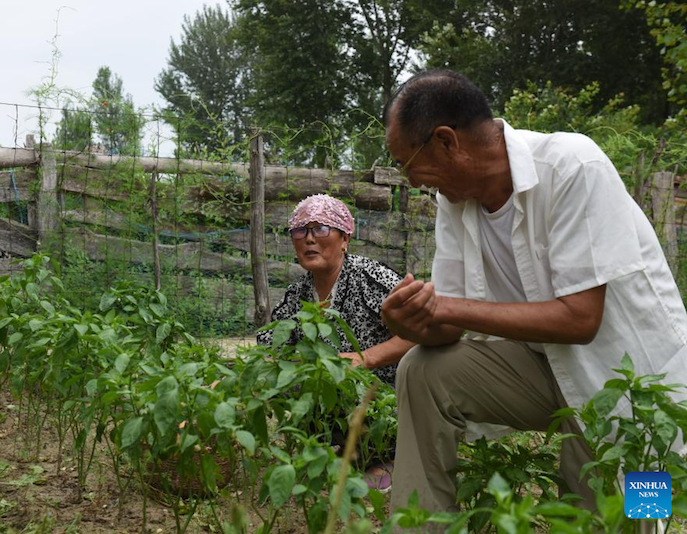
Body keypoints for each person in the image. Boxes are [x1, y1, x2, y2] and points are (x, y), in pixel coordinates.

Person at [379, 69, 687, 517]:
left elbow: (582, 320)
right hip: (543, 369)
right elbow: (451, 324)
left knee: (626, 513)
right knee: (422, 371)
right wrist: (415, 323)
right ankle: (418, 526)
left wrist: (446, 306)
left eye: (408, 164)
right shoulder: (456, 200)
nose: (412, 182)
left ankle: (647, 518)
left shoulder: (572, 164)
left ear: (447, 141)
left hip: (630, 383)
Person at [257, 193, 415, 489]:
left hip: (382, 396)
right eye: (300, 231)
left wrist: (362, 359)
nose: (308, 239)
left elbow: (419, 333)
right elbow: (271, 349)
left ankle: (387, 459)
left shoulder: (371, 278)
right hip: (333, 403)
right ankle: (332, 456)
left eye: (320, 228)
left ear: (344, 238)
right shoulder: (298, 295)